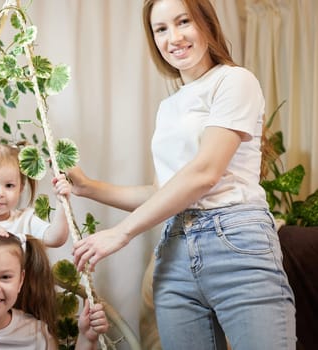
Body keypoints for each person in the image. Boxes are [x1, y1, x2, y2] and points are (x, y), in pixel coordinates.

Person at [69, 0, 296, 349]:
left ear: (205, 22)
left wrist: (121, 234)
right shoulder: (169, 107)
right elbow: (164, 192)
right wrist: (90, 188)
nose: (173, 37)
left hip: (236, 244)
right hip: (174, 252)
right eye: (161, 29)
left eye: (183, 22)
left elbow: (205, 173)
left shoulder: (235, 81)